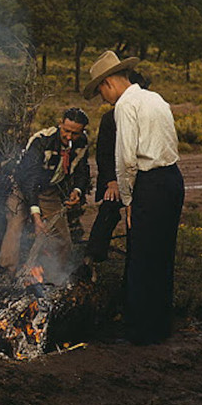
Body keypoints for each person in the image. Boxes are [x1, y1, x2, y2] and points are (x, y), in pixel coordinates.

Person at [82, 51, 184, 345]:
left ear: (110, 82)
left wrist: (127, 201)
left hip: (149, 183)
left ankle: (141, 331)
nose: (102, 97)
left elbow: (125, 158)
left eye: (100, 89)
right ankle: (160, 325)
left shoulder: (125, 106)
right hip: (172, 179)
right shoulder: (155, 99)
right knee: (163, 255)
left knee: (140, 257)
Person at [0, 107, 91, 277]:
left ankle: (52, 276)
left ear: (82, 131)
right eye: (66, 131)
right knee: (16, 223)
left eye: (75, 133)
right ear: (60, 124)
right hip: (23, 187)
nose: (69, 137)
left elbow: (82, 171)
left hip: (49, 191)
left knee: (62, 237)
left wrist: (77, 190)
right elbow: (30, 179)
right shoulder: (42, 140)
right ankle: (7, 272)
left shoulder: (82, 143)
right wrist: (36, 216)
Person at [82, 71, 151, 274]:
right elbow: (104, 153)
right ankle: (92, 256)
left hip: (143, 177)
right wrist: (111, 181)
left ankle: (136, 260)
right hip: (118, 178)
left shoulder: (148, 112)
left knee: (139, 219)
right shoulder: (110, 118)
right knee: (109, 208)